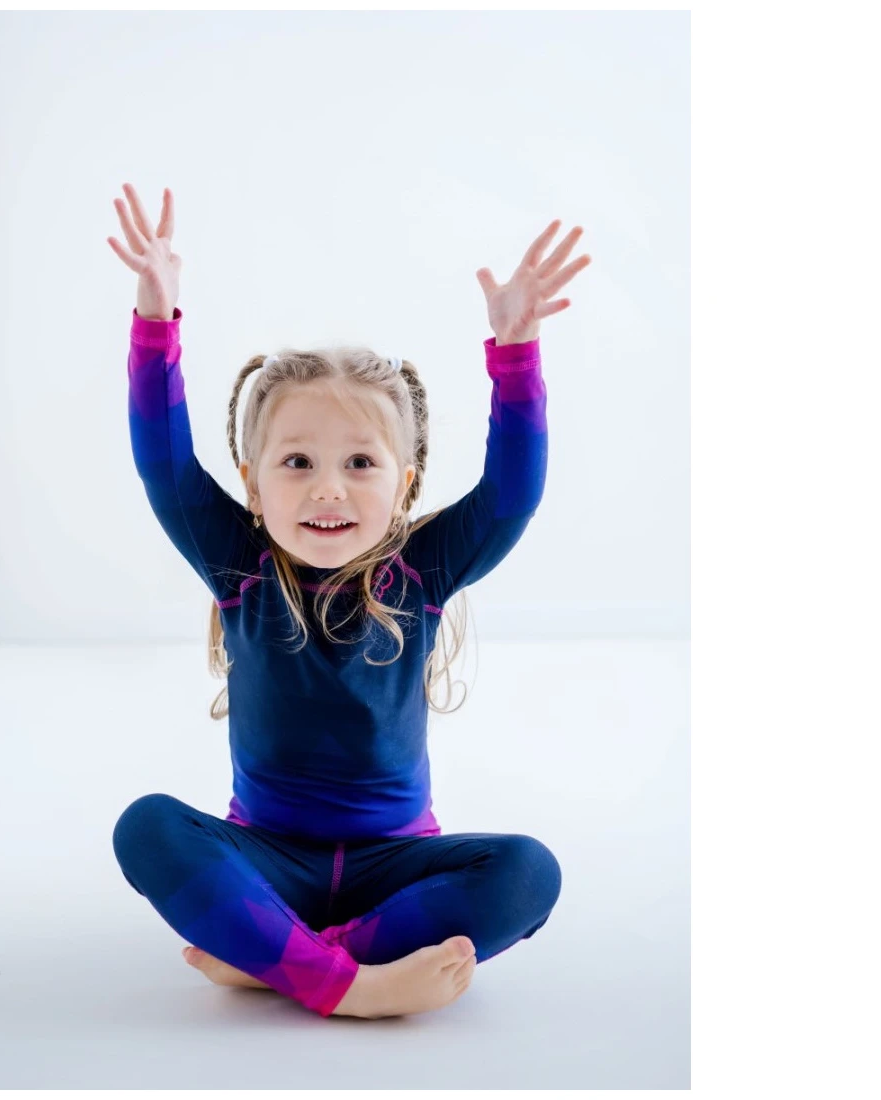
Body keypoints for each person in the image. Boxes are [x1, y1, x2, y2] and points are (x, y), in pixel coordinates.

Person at [106, 182, 592, 1020]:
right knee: (144, 826)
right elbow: (163, 462)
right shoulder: (241, 565)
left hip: (394, 869)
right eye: (297, 462)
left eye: (360, 463)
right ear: (253, 483)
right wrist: (156, 323)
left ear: (403, 484)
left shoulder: (424, 572)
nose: (327, 488)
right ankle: (350, 982)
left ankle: (279, 958)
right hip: (266, 858)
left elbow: (511, 496)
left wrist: (516, 354)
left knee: (529, 874)